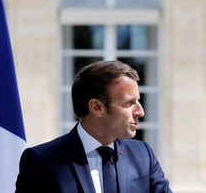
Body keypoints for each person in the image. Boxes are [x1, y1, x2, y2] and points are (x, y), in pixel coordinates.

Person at [15, 60, 172, 193]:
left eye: (138, 101)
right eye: (129, 103)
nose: (140, 111)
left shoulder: (143, 155)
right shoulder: (41, 162)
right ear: (97, 107)